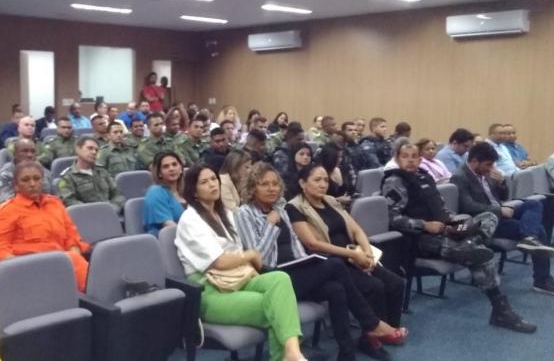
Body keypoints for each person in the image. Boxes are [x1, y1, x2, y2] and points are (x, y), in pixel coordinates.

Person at [236, 163, 409, 360]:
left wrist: (307, 262)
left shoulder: (280, 207)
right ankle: (372, 324)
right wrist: (270, 224)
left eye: (275, 183)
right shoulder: (244, 213)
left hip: (296, 270)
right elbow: (258, 257)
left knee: (336, 288)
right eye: (264, 184)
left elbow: (296, 246)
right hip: (273, 277)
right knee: (335, 264)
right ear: (252, 187)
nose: (271, 188)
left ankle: (347, 353)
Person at [382, 142, 539, 332]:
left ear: (419, 158)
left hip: (445, 231)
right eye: (405, 156)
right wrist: (424, 225)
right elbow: (392, 218)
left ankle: (473, 240)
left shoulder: (424, 176)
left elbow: (441, 208)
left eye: (414, 156)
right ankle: (501, 310)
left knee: (488, 216)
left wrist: (453, 222)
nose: (410, 160)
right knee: (482, 256)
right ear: (397, 159)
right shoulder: (395, 181)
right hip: (420, 239)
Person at [174, 164, 307, 361]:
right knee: (276, 307)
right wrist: (251, 255)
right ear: (193, 191)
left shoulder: (225, 213)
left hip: (237, 278)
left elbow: (234, 257)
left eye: (213, 179)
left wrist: (247, 261)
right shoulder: (190, 219)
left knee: (280, 278)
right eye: (204, 182)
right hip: (209, 289)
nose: (212, 184)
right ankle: (293, 354)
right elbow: (219, 262)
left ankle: (291, 354)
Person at [287, 164, 408, 348]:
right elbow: (313, 244)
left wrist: (367, 253)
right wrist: (352, 254)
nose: (323, 184)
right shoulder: (295, 207)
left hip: (355, 255)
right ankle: (370, 339)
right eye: (317, 180)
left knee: (396, 283)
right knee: (375, 286)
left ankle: (389, 330)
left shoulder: (330, 201)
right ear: (303, 183)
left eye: (325, 180)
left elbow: (356, 229)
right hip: (331, 261)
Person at [451, 143, 554, 297]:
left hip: (501, 212)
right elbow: (467, 206)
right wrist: (499, 210)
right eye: (488, 165)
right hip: (486, 221)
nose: (490, 168)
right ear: (474, 161)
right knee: (540, 230)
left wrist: (501, 184)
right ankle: (542, 279)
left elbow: (501, 197)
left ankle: (529, 238)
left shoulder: (486, 173)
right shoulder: (460, 177)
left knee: (533, 203)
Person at [0, 161, 90, 291]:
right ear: (16, 186)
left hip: (62, 263)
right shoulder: (7, 211)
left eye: (37, 179)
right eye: (25, 180)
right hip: (29, 269)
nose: (32, 184)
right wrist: (22, 270)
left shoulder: (55, 204)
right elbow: (2, 249)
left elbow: (71, 235)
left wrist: (72, 259)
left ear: (42, 181)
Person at [58, 136, 125, 213]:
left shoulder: (102, 171)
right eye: (90, 148)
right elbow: (69, 201)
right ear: (78, 149)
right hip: (85, 217)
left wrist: (114, 207)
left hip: (109, 213)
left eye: (96, 150)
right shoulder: (68, 176)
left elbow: (117, 194)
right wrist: (92, 211)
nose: (94, 152)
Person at [143, 152, 186, 237]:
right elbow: (169, 226)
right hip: (168, 241)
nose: (171, 169)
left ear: (181, 168)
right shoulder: (155, 192)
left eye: (174, 164)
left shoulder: (186, 189)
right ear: (159, 173)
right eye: (165, 166)